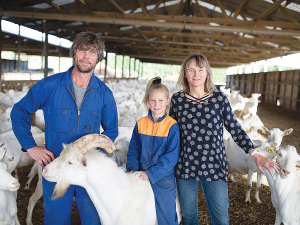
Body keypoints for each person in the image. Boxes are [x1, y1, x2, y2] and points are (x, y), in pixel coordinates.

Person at [11, 32, 118, 225]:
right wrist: (31, 146)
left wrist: (93, 156)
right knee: (56, 219)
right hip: (56, 166)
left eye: (92, 52)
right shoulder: (50, 85)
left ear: (98, 58)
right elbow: (19, 111)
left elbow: (111, 131)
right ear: (74, 53)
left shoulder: (104, 94)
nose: (87, 56)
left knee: (93, 218)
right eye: (82, 50)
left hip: (87, 170)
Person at [169, 53, 280, 225]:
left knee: (220, 219)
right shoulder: (177, 100)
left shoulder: (219, 99)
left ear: (207, 73)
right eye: (191, 70)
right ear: (185, 74)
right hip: (185, 166)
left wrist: (255, 154)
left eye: (200, 69)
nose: (196, 74)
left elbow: (235, 128)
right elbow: (171, 132)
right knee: (189, 218)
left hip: (214, 165)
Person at [126, 77, 180, 225]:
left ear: (167, 101)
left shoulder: (172, 126)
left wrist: (150, 174)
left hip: (163, 180)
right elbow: (133, 150)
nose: (157, 105)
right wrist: (133, 172)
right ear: (147, 101)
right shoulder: (140, 124)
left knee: (167, 218)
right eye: (153, 101)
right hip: (139, 175)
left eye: (161, 101)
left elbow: (171, 157)